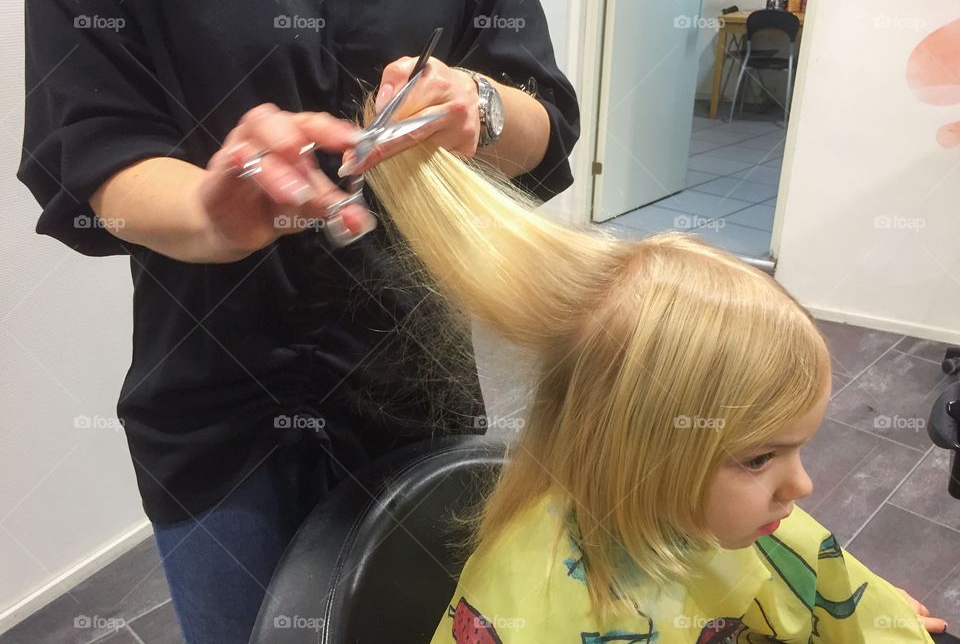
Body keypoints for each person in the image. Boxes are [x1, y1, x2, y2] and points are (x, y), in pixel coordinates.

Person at [17, 0, 578, 642]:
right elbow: (97, 151)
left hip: (418, 392)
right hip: (215, 404)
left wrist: (480, 106)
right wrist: (211, 216)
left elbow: (545, 126)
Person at [354, 135, 954, 642]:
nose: (801, 485)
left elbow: (830, 587)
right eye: (760, 458)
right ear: (634, 449)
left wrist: (879, 614)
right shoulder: (531, 602)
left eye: (796, 450)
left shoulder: (733, 520)